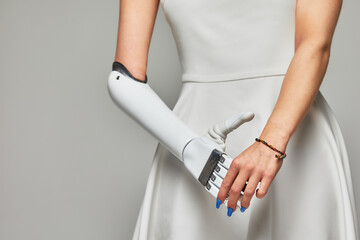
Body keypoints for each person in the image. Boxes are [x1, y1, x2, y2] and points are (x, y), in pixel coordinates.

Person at [109, 0, 359, 239]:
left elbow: (316, 44)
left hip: (295, 141)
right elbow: (124, 79)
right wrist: (193, 150)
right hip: (193, 145)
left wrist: (271, 143)